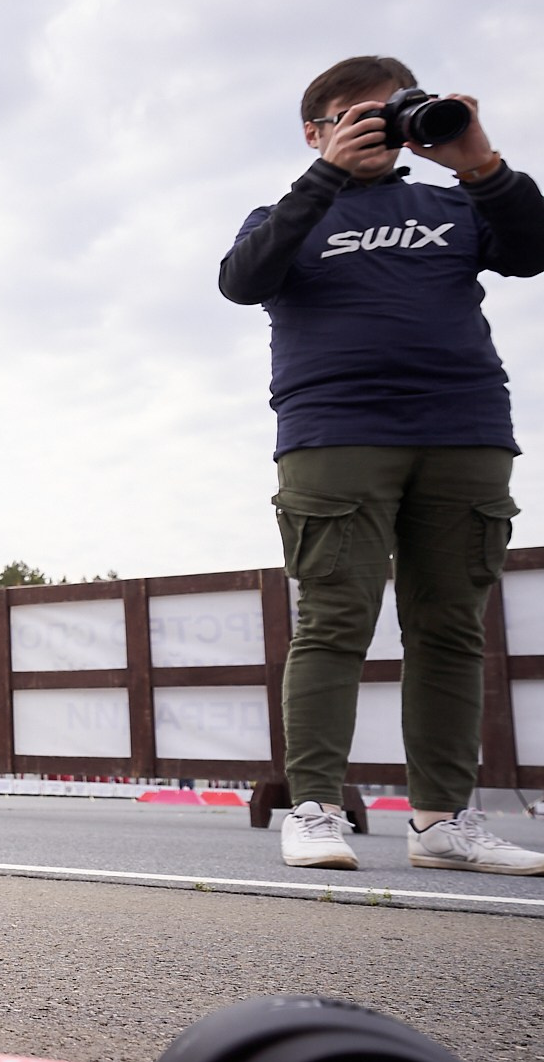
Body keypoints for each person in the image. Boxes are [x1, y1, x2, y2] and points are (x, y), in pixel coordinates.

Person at [219, 55, 544, 874]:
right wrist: (323, 179)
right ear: (316, 129)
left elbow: (533, 250)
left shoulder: (455, 203)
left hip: (465, 428)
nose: (379, 129)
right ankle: (317, 808)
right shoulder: (285, 212)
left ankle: (441, 822)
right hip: (334, 433)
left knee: (451, 629)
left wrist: (479, 162)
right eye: (355, 117)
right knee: (334, 619)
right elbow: (240, 279)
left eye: (391, 114)